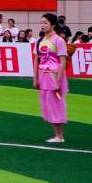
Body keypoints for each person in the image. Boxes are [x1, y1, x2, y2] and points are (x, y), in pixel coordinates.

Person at [34, 12, 69, 143]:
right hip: (43, 75)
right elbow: (37, 60)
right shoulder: (40, 40)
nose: (42, 25)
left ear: (53, 25)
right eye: (41, 23)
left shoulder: (58, 40)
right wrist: (35, 78)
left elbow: (63, 61)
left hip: (54, 75)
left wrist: (58, 81)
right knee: (47, 104)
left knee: (56, 104)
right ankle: (57, 134)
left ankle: (59, 136)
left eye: (45, 23)